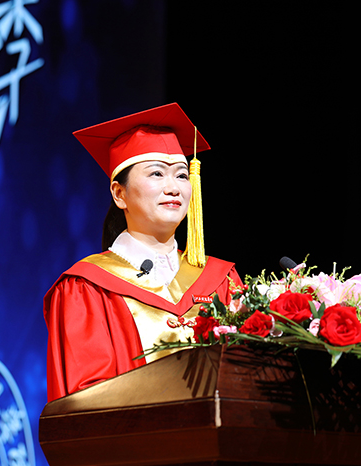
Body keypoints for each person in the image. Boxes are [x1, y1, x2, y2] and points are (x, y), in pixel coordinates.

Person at [44, 103, 242, 402]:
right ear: (119, 194)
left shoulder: (221, 280)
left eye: (182, 175)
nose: (174, 188)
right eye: (157, 174)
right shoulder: (87, 288)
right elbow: (85, 402)